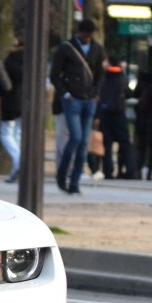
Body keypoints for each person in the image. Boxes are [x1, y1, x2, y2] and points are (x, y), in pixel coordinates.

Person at [50, 19, 105, 194]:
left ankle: (74, 182)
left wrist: (96, 94)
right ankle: (62, 174)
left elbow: (99, 75)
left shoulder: (97, 49)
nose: (88, 39)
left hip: (88, 99)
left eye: (90, 36)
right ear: (79, 32)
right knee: (76, 138)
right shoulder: (67, 48)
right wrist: (65, 93)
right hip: (73, 99)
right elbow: (54, 75)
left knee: (82, 144)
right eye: (86, 35)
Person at [96, 53, 135, 179]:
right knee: (125, 143)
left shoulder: (104, 77)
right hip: (119, 113)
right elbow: (129, 93)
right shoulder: (122, 77)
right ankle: (129, 171)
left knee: (106, 145)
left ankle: (108, 171)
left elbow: (99, 94)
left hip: (105, 114)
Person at [0, 41, 24, 183]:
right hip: (25, 103)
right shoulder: (30, 61)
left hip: (10, 101)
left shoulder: (8, 62)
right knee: (17, 135)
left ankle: (18, 160)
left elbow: (4, 84)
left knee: (6, 134)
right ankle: (17, 165)